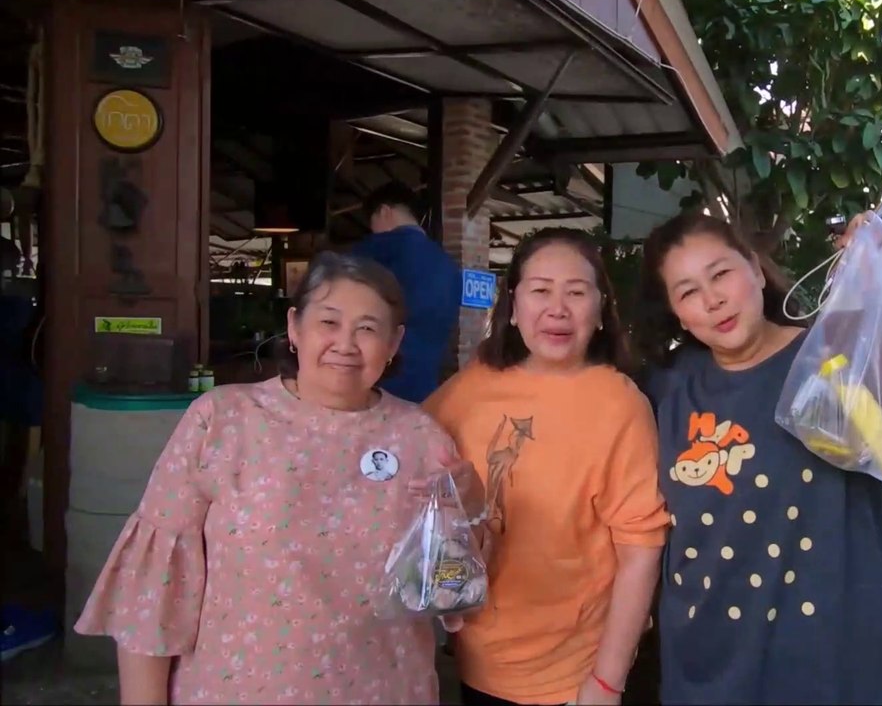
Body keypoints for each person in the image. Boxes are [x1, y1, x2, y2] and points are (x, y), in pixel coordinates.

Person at [74, 252, 480, 705]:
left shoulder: (419, 435)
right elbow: (155, 590)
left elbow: (452, 591)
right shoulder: (223, 419)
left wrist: (464, 510)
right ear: (294, 327)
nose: (345, 343)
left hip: (386, 689)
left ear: (394, 342)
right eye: (329, 322)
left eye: (367, 328)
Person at [635, 212, 882, 705]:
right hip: (702, 666)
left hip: (828, 670)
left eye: (721, 275)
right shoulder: (666, 387)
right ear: (675, 312)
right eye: (688, 291)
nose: (712, 300)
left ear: (756, 271)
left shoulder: (833, 362)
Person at [424, 227, 669, 706]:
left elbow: (640, 549)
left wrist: (606, 682)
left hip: (572, 674)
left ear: (600, 311)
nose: (557, 309)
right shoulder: (476, 383)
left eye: (576, 293)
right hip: (478, 658)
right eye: (540, 291)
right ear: (513, 308)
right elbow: (405, 444)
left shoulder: (619, 405)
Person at [349, 182, 461, 402]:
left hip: (376, 387)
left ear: (384, 211)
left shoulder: (378, 249)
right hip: (425, 388)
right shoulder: (448, 265)